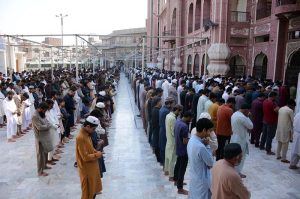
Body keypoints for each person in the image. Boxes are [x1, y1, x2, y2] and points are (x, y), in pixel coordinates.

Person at [76, 116, 103, 199]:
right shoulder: (80, 137)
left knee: (93, 191)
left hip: (92, 168)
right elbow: (85, 157)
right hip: (86, 170)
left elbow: (90, 148)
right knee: (87, 193)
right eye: (93, 129)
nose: (94, 131)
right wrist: (97, 155)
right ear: (88, 126)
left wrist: (96, 151)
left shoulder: (87, 134)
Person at [187, 118, 214, 199]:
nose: (210, 134)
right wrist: (208, 146)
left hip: (194, 177)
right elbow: (210, 163)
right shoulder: (201, 147)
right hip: (202, 180)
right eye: (209, 131)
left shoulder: (191, 140)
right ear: (204, 130)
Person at [230, 104, 253, 178]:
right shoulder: (242, 117)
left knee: (233, 156)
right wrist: (248, 117)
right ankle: (237, 172)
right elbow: (251, 126)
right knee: (240, 157)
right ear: (245, 110)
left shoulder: (234, 114)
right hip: (241, 139)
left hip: (234, 137)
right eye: (248, 110)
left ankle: (232, 170)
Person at [174, 111, 193, 195]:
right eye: (191, 118)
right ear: (188, 117)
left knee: (178, 165)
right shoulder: (185, 126)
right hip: (183, 150)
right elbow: (185, 141)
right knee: (182, 169)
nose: (191, 120)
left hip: (178, 147)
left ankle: (176, 181)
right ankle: (180, 188)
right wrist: (193, 140)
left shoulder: (177, 122)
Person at [32, 102, 53, 176]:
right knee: (40, 155)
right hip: (39, 137)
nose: (45, 112)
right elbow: (39, 127)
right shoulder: (35, 116)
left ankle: (44, 166)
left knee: (45, 152)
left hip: (45, 136)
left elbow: (48, 122)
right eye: (44, 110)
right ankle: (40, 171)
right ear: (40, 109)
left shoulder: (42, 113)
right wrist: (47, 126)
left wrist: (47, 125)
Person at [164, 104, 183, 182]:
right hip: (173, 141)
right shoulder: (173, 118)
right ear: (177, 110)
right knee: (172, 159)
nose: (180, 113)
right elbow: (173, 132)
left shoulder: (168, 115)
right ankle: (171, 176)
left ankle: (166, 171)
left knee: (167, 157)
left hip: (168, 139)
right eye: (180, 111)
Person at [159, 97, 174, 166]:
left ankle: (163, 162)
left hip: (162, 129)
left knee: (162, 146)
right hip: (165, 131)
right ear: (169, 104)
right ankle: (165, 163)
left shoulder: (162, 109)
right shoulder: (167, 112)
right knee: (165, 146)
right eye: (172, 104)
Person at [151, 96, 162, 162]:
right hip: (157, 129)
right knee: (157, 143)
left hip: (156, 129)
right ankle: (158, 158)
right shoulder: (157, 111)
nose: (161, 103)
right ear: (157, 102)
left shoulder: (155, 109)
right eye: (160, 101)